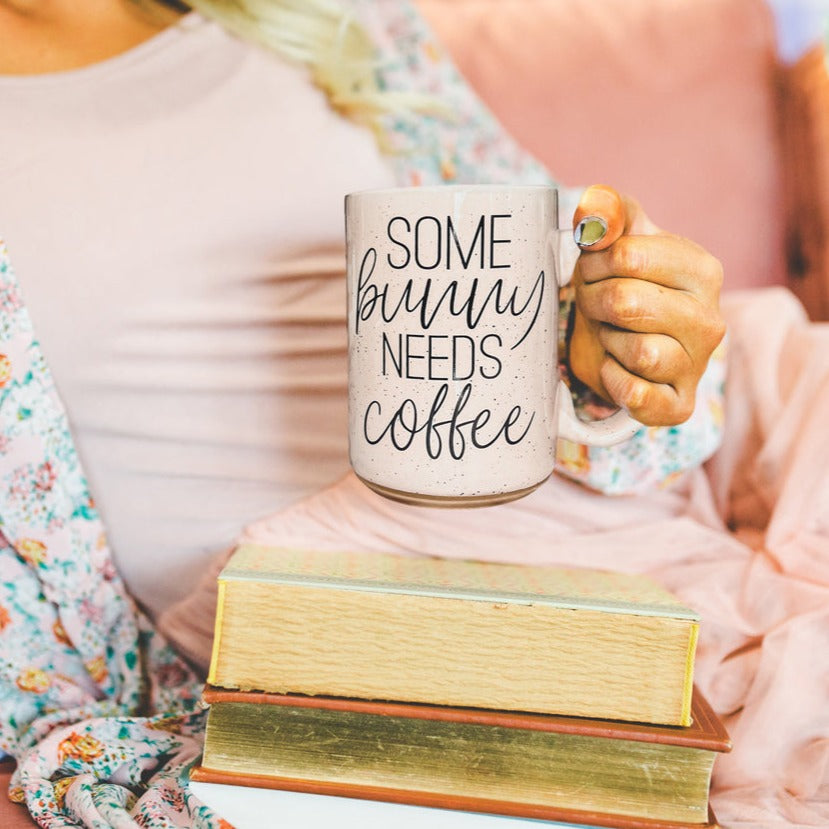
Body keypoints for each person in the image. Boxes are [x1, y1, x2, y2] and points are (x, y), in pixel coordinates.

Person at [0, 0, 725, 826]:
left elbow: (549, 255)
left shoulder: (338, 20)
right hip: (297, 647)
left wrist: (611, 344)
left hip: (589, 569)